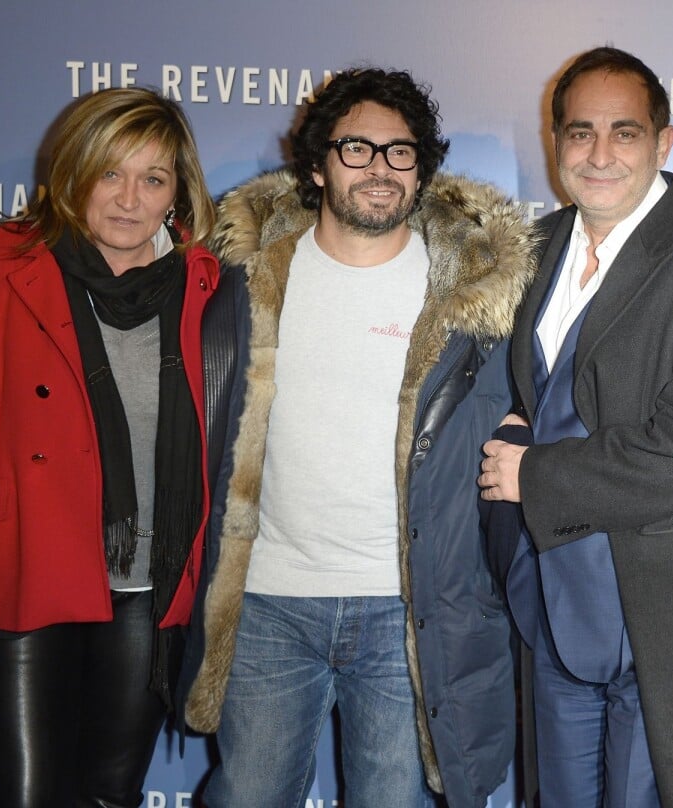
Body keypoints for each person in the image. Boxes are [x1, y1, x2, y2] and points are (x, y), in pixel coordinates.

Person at [179, 67, 534, 808]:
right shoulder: (245, 282)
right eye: (357, 149)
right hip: (269, 602)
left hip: (403, 612)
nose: (379, 168)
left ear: (422, 170)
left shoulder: (470, 294)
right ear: (315, 164)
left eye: (400, 152)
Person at [0, 87, 219, 807]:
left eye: (153, 178)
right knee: (25, 796)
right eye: (111, 173)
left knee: (109, 795)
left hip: (146, 588)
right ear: (75, 175)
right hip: (23, 573)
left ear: (177, 192)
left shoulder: (206, 285)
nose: (130, 199)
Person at [478, 47, 673, 807]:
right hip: (547, 598)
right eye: (580, 134)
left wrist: (534, 473)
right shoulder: (534, 249)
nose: (600, 154)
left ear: (663, 143)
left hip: (656, 615)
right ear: (556, 145)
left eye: (625, 133)